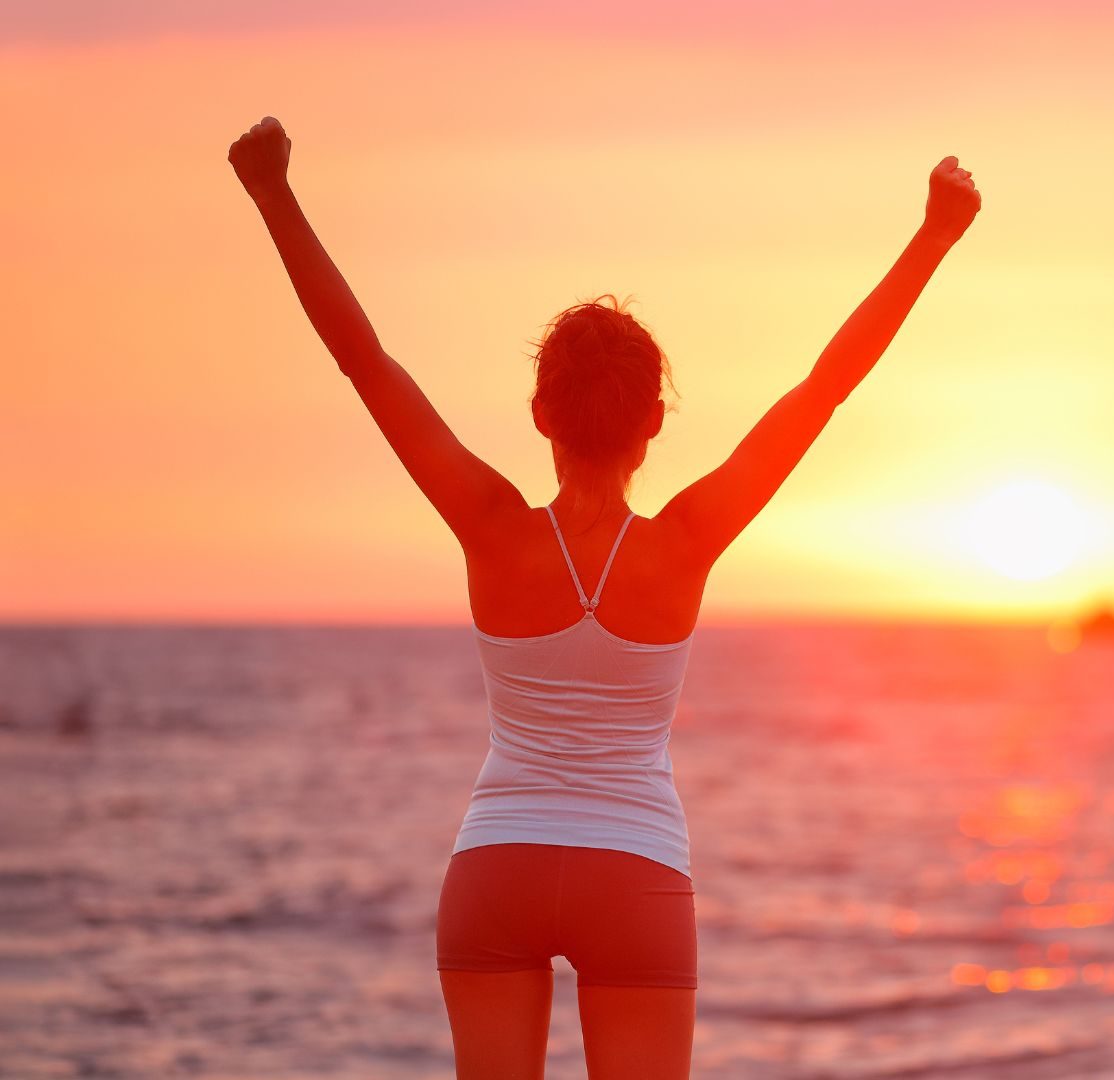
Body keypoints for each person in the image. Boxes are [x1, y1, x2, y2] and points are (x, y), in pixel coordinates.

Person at [227, 114, 981, 1079]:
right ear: (655, 422)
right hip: (637, 879)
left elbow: (365, 363)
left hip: (496, 863)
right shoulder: (685, 544)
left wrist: (274, 196)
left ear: (540, 413)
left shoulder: (490, 525)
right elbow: (824, 388)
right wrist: (934, 234)